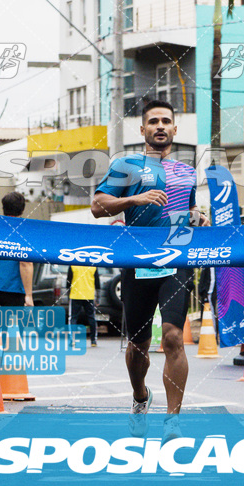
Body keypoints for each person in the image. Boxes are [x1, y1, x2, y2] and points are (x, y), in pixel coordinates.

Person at [91, 100, 209, 442]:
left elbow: (188, 210)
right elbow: (98, 207)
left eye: (166, 121)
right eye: (153, 121)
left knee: (173, 336)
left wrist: (197, 217)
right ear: (142, 130)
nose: (160, 126)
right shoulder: (127, 164)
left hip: (175, 260)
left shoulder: (186, 171)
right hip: (137, 262)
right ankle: (141, 396)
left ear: (175, 130)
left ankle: (172, 421)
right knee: (138, 346)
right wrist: (134, 201)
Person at [0, 191, 33, 307]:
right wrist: (29, 295)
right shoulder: (23, 230)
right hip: (13, 290)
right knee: (26, 324)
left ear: (3, 208)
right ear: (22, 209)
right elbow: (25, 263)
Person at [67, 265, 100, 347]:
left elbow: (68, 281)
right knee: (91, 317)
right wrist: (98, 297)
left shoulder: (73, 265)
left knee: (73, 318)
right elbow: (97, 283)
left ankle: (72, 339)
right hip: (89, 295)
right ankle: (93, 340)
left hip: (75, 295)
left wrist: (68, 295)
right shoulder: (93, 266)